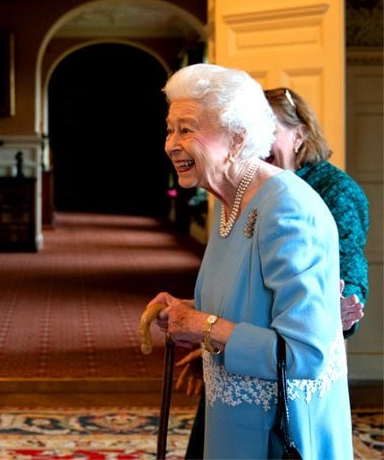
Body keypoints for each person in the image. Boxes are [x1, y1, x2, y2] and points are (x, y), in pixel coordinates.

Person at [140, 63, 352, 458]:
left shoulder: (286, 209)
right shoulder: (228, 202)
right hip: (238, 426)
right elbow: (248, 306)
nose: (171, 143)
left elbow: (304, 354)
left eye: (187, 129)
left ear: (237, 139)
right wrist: (184, 312)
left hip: (282, 432)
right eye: (170, 129)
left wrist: (202, 325)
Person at [264, 86, 369, 336]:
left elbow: (349, 259)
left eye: (270, 131)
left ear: (299, 135)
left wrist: (343, 305)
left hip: (307, 333)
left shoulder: (336, 189)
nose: (259, 143)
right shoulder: (259, 185)